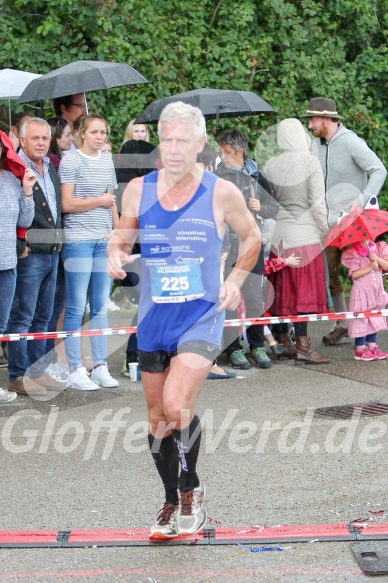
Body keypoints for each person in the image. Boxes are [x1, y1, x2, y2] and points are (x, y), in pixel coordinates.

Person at [107, 102, 261, 540]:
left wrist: (234, 280)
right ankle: (171, 499)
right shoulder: (138, 189)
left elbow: (251, 236)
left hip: (201, 315)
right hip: (155, 317)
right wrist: (116, 252)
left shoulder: (220, 192)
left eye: (182, 140)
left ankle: (191, 489)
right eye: (167, 139)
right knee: (157, 417)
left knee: (177, 404)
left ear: (199, 144)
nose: (173, 148)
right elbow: (123, 234)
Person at [300, 97, 387, 345]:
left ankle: (369, 332)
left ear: (327, 118)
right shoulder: (315, 145)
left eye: (313, 120)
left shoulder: (351, 142)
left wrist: (362, 198)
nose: (310, 125)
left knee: (361, 275)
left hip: (353, 224)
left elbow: (379, 169)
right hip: (326, 224)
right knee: (331, 275)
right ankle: (343, 322)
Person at [59, 113, 119, 391]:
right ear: (81, 133)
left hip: (103, 240)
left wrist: (117, 233)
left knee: (100, 307)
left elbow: (112, 202)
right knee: (75, 306)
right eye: (94, 132)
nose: (100, 137)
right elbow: (67, 204)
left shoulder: (107, 160)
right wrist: (100, 201)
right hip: (78, 240)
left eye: (103, 132)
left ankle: (100, 366)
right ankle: (74, 369)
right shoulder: (71, 160)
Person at [7, 118, 66, 397]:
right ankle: (17, 375)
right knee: (23, 317)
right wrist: (20, 244)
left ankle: (36, 371)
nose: (41, 143)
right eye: (35, 138)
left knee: (43, 317)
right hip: (30, 253)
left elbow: (56, 208)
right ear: (21, 139)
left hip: (52, 251)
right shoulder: (15, 170)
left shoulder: (50, 165)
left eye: (45, 138)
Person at [264, 118, 330, 365]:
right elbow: (317, 202)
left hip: (279, 236)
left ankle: (284, 343)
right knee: (303, 295)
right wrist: (325, 229)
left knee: (283, 293)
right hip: (305, 235)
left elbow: (270, 202)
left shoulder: (271, 164)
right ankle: (303, 346)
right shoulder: (310, 161)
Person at [216, 128, 278, 370]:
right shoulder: (217, 177)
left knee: (254, 299)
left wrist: (260, 205)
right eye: (220, 151)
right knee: (230, 297)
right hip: (228, 246)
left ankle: (257, 345)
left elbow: (274, 208)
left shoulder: (257, 176)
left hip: (252, 246)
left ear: (240, 152)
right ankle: (232, 349)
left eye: (227, 152)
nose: (222, 156)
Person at [0, 131, 36, 403]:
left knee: (1, 328)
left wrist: (26, 191)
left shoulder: (10, 180)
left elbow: (25, 219)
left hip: (8, 264)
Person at [341, 239, 388, 361]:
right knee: (361, 319)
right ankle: (360, 348)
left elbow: (386, 265)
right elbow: (354, 275)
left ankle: (371, 345)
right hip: (361, 292)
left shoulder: (378, 249)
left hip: (375, 291)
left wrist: (376, 258)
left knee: (375, 316)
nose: (366, 238)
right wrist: (370, 267)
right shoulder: (354, 253)